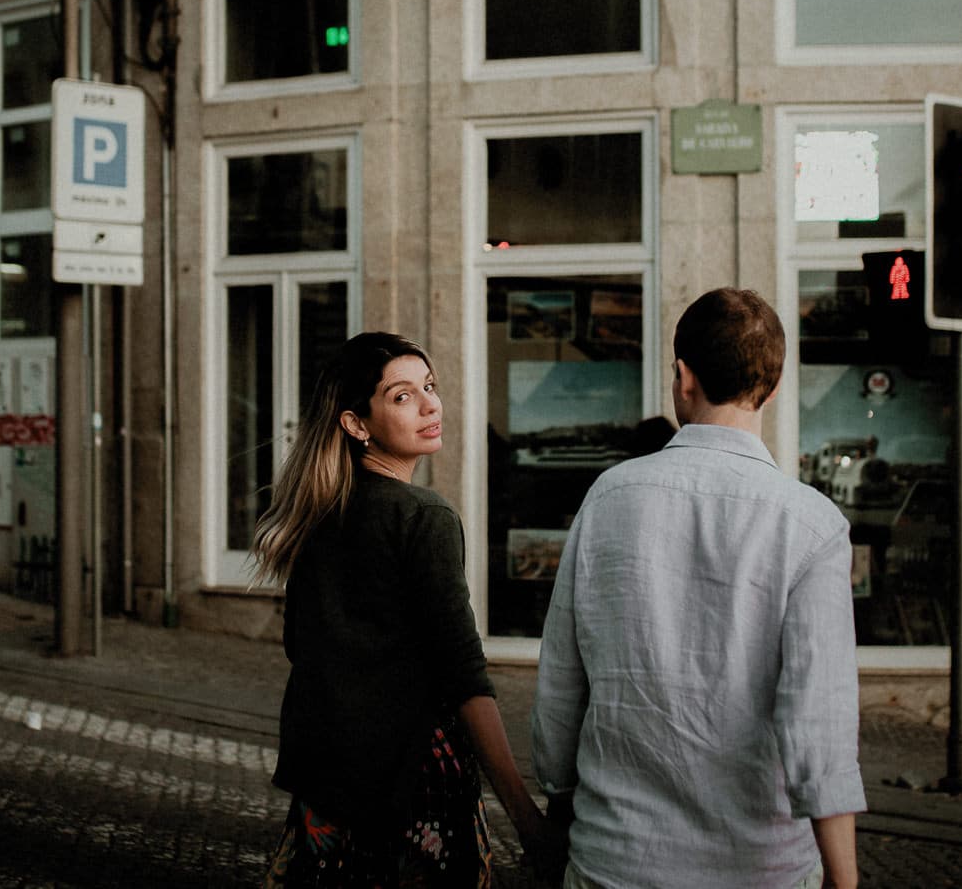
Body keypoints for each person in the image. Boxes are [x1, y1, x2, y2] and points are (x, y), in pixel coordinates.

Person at [531, 288, 863, 889]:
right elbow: (821, 725)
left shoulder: (608, 497)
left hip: (615, 859)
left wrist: (559, 797)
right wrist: (845, 879)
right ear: (773, 386)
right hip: (763, 870)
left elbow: (562, 681)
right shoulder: (813, 525)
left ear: (683, 378)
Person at [252, 331, 557, 887]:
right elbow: (466, 678)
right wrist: (527, 820)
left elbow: (302, 646)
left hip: (328, 786)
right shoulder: (423, 518)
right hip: (412, 784)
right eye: (402, 396)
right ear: (356, 424)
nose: (430, 404)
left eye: (430, 387)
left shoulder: (318, 516)